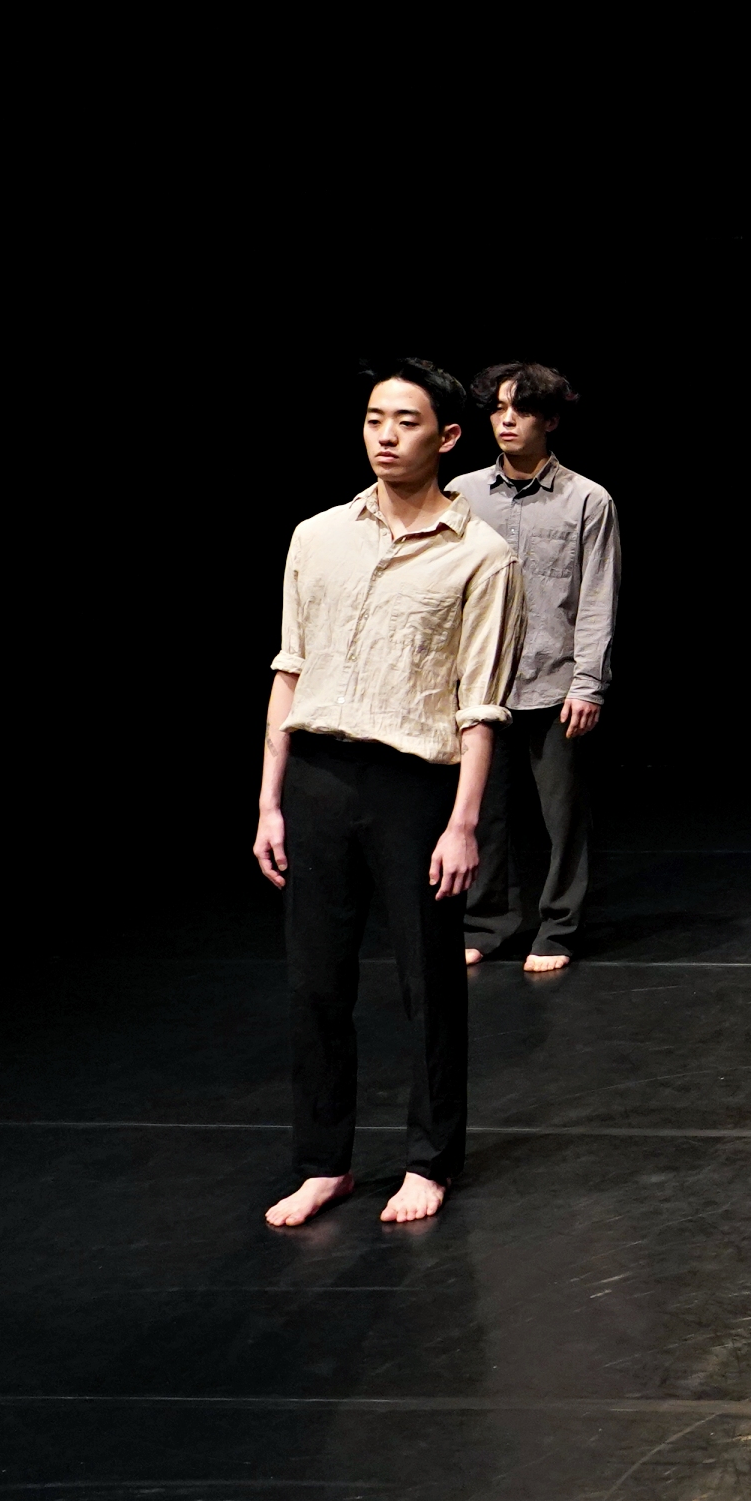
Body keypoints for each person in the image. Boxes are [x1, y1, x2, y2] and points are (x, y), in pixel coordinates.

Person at [254, 362, 524, 1229]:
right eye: (375, 418)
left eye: (406, 421)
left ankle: (428, 1159)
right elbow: (289, 671)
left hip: (415, 785)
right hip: (317, 777)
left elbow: (481, 703)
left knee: (429, 983)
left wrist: (464, 822)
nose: (386, 435)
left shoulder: (483, 556)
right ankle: (323, 1163)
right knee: (315, 983)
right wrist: (269, 803)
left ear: (448, 437)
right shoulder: (317, 536)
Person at [450, 361, 621, 976]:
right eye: (498, 409)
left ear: (549, 419)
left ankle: (558, 927)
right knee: (483, 814)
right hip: (481, 683)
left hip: (554, 680)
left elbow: (597, 597)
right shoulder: (463, 494)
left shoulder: (587, 499)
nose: (506, 420)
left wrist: (589, 684)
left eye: (520, 409)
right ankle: (486, 923)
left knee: (562, 816)